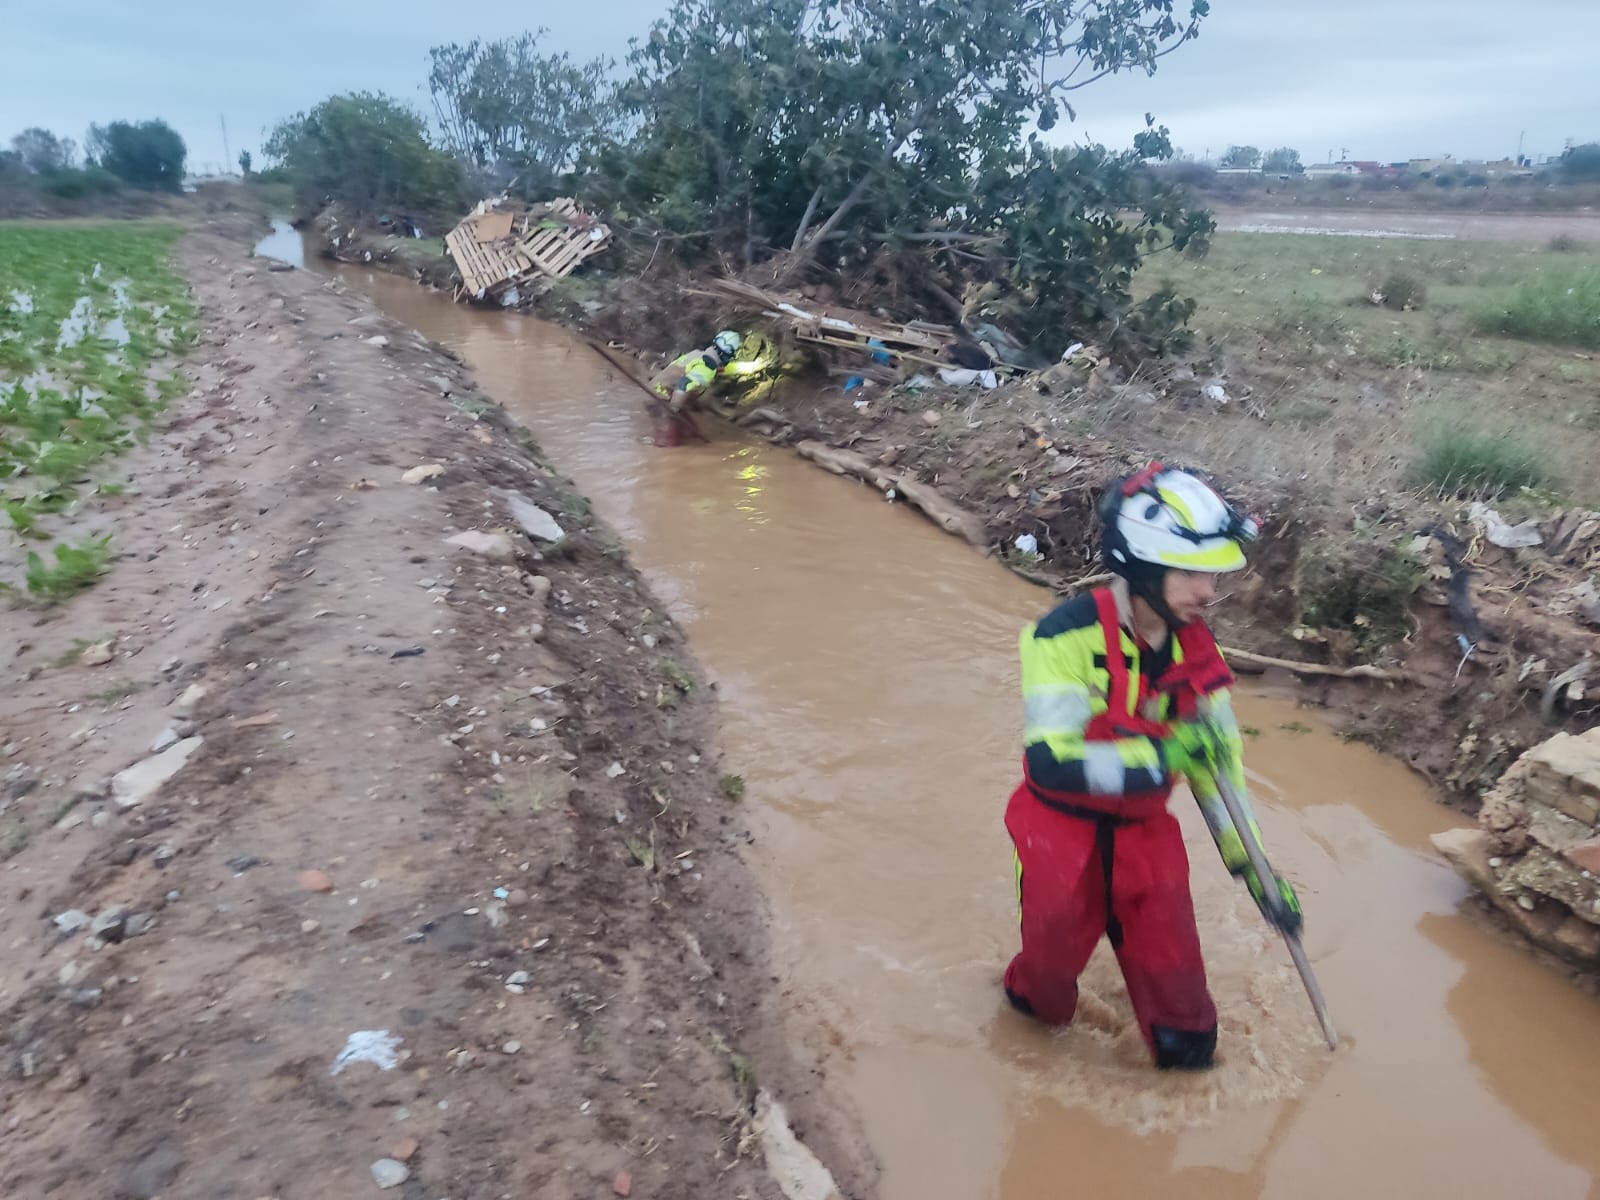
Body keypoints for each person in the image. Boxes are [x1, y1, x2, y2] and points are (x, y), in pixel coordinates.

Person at [1002, 462, 1302, 1070]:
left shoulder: (1198, 651)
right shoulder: (1058, 639)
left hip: (1145, 838)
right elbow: (1051, 762)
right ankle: (1027, 994)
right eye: (1192, 574)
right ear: (1143, 564)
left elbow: (1219, 772)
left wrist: (1255, 869)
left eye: (1211, 574)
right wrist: (1160, 757)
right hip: (1058, 836)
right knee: (1044, 996)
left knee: (1186, 1035)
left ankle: (1178, 1044)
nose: (1207, 592)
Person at [647, 330, 742, 446]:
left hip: (654, 391)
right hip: (662, 400)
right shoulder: (707, 369)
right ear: (726, 355)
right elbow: (684, 384)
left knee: (690, 431)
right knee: (667, 443)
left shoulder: (698, 355)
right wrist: (673, 411)